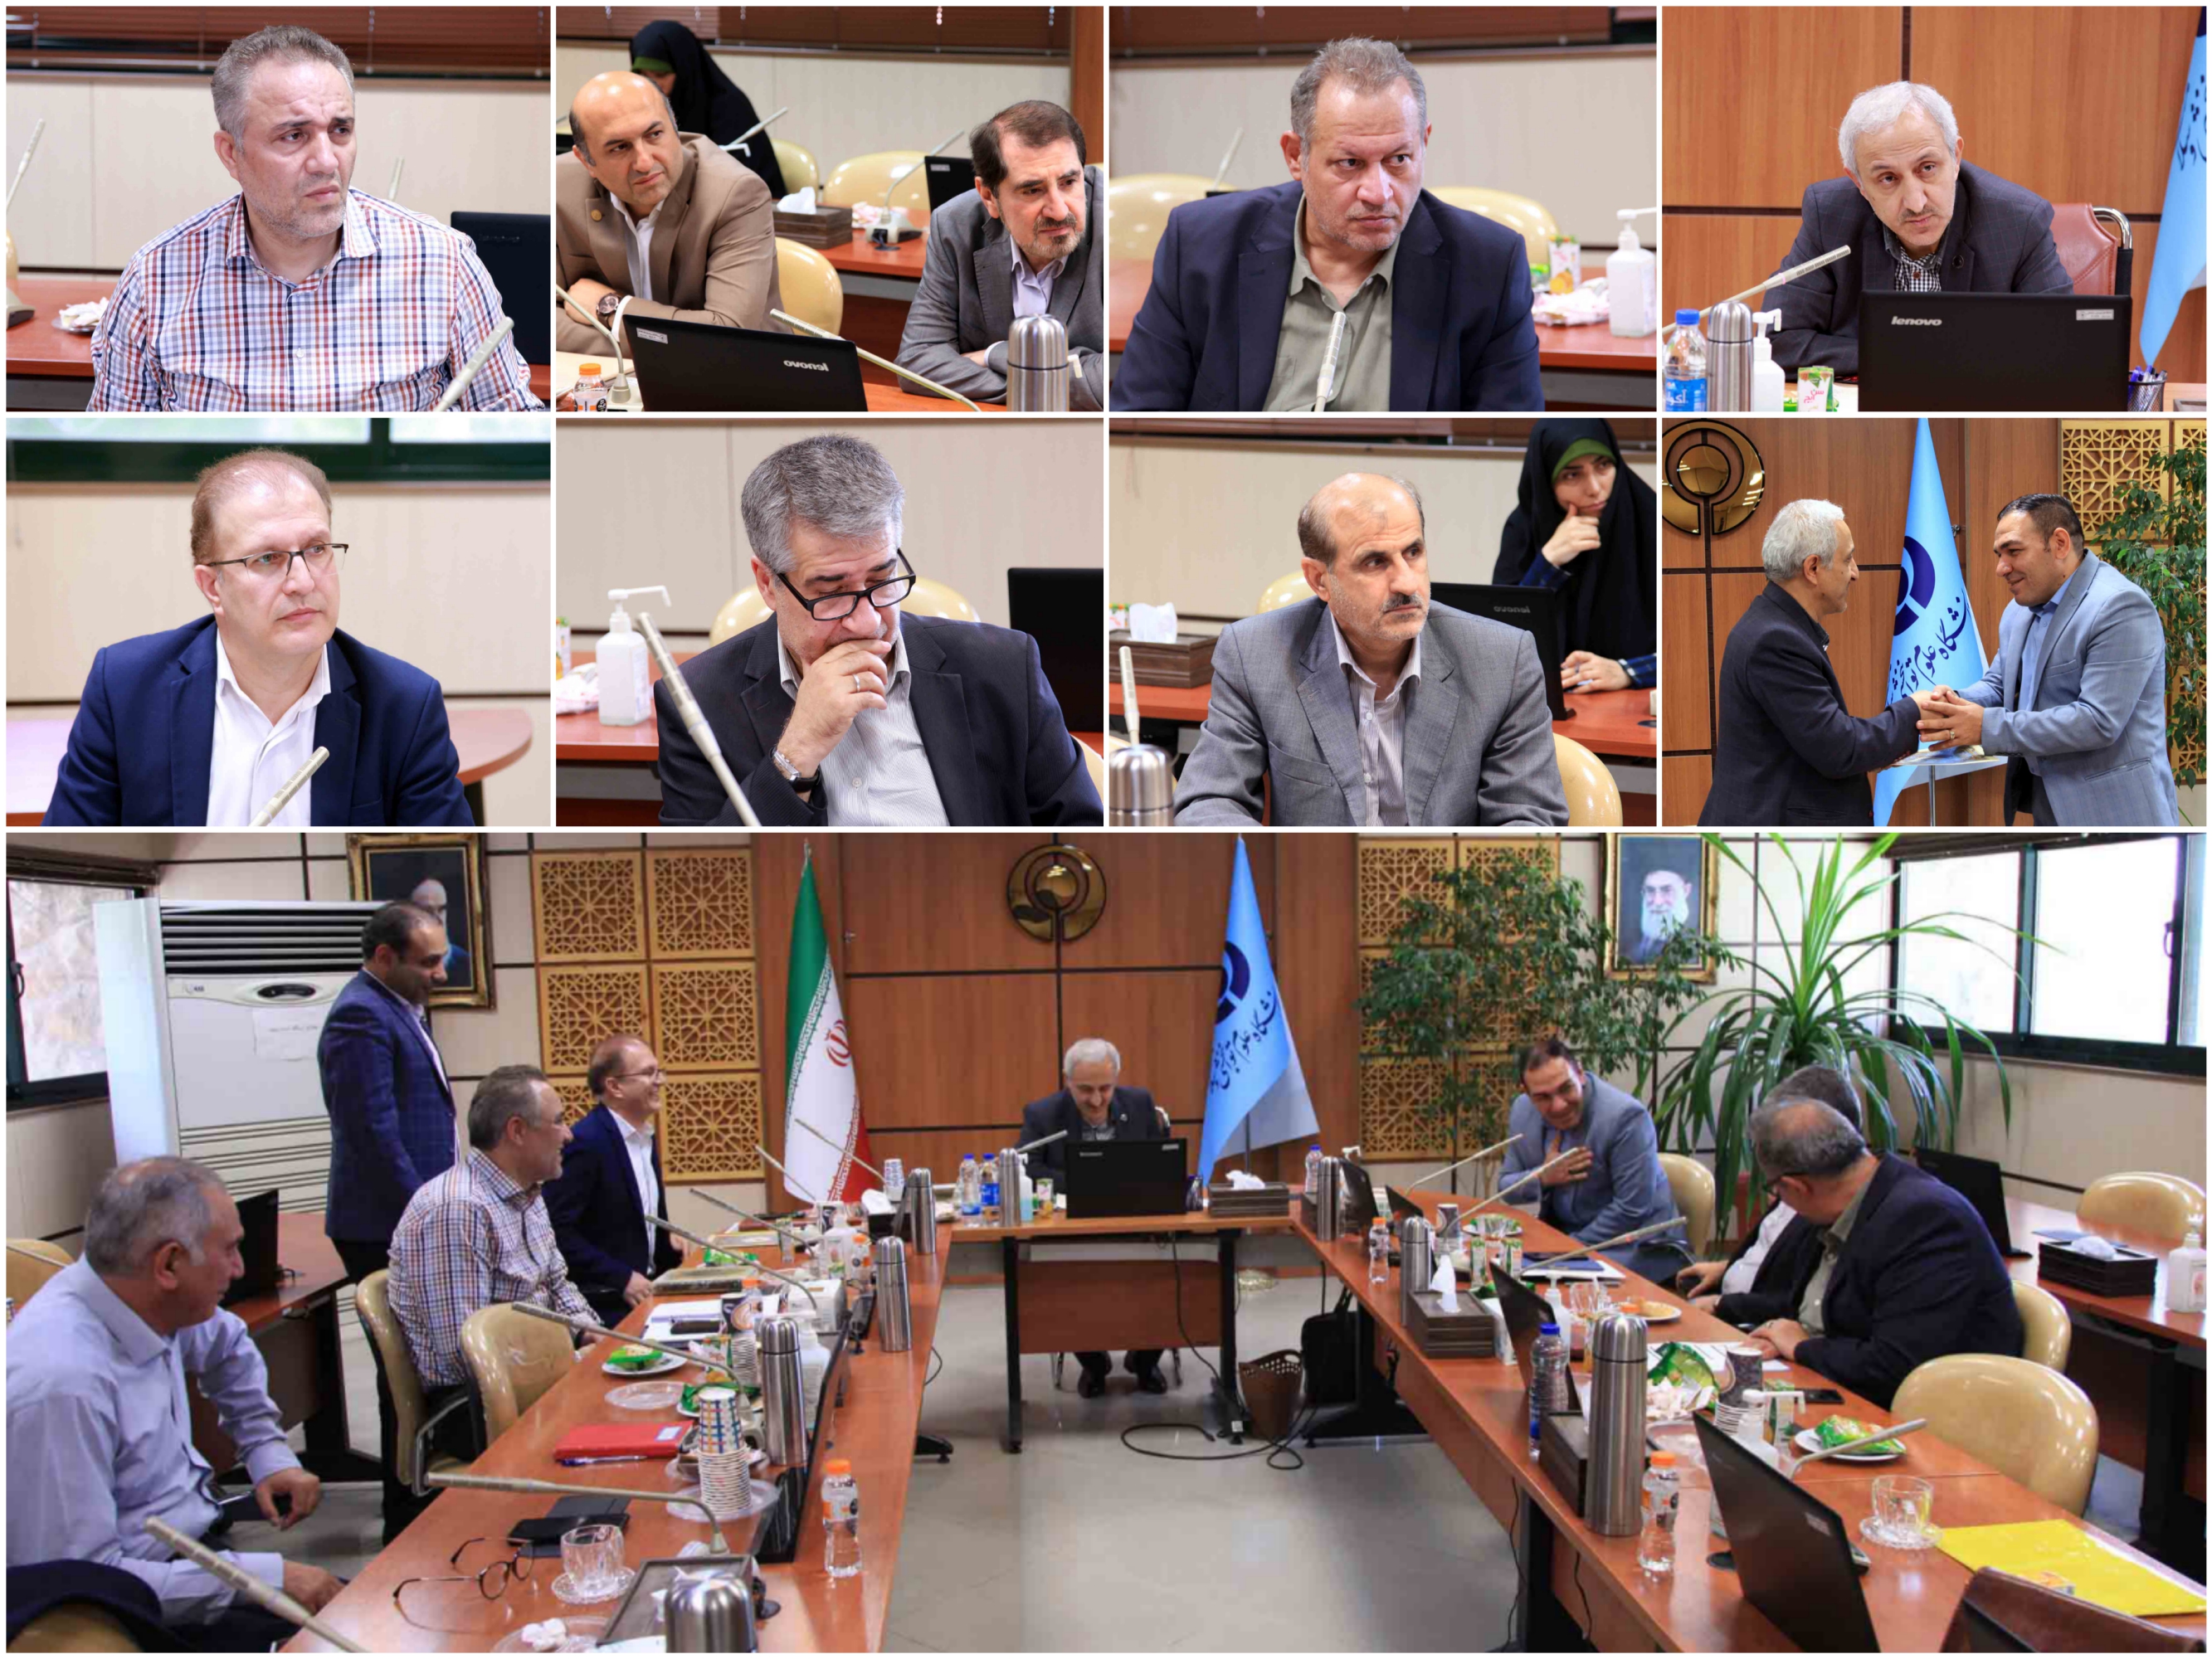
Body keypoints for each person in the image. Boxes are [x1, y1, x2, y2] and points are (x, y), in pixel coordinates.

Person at [654, 435, 1102, 826]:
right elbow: (702, 871)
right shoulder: (697, 700)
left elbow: (1082, 834)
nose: (868, 622)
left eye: (882, 579)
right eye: (831, 592)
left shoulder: (1005, 667)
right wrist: (797, 750)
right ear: (768, 583)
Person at [89, 27, 538, 411]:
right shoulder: (155, 278)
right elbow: (110, 451)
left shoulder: (443, 262)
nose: (326, 161)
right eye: (293, 135)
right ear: (231, 154)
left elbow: (516, 425)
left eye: (340, 130)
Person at [42, 449, 474, 828]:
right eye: (268, 558)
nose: (303, 581)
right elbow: (66, 860)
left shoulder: (404, 706)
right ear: (213, 587)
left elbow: (437, 870)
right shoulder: (126, 689)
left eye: (317, 549)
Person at [7, 1159, 338, 1650]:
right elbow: (85, 1586)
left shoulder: (143, 1299)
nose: (240, 1269)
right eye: (229, 1250)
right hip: (130, 1615)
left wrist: (266, 1451)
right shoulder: (62, 1384)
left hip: (191, 1562)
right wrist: (266, 1578)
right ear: (168, 1265)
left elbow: (228, 1346)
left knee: (376, 1613)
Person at [1113, 36, 1542, 411]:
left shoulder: (1488, 266)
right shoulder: (1201, 246)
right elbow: (1140, 410)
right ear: (1295, 156)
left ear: (1424, 143)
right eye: (1349, 163)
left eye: (1399, 159)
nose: (1379, 192)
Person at [1173, 473, 1566, 825]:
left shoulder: (1502, 660)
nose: (1407, 583)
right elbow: (1209, 801)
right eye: (1375, 562)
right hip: (1312, 878)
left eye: (1413, 552)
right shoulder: (1254, 655)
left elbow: (1529, 819)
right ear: (1320, 580)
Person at [1732, 1097, 2023, 1408]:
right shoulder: (1841, 1204)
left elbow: (1896, 1365)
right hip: (1837, 1388)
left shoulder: (1927, 1219)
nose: (1779, 1200)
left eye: (1776, 1191)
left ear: (1797, 1186)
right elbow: (1809, 1305)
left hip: (1936, 1414)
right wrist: (1776, 1333)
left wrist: (1802, 1347)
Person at [1767, 80, 2072, 375]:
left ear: (1956, 157)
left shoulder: (2018, 222)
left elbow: (2063, 345)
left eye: (1927, 168)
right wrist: (1903, 355)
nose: (1915, 203)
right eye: (1888, 178)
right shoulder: (1831, 215)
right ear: (1859, 183)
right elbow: (1777, 341)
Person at [1917, 494, 2177, 826]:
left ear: (2059, 544)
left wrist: (1985, 727)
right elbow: (1999, 685)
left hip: (2113, 811)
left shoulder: (2119, 606)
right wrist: (1952, 702)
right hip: (2046, 801)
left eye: (2013, 551)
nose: (2001, 568)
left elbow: (2097, 721)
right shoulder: (2018, 610)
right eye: (1999, 555)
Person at [1699, 499, 1934, 825]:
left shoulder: (1773, 624)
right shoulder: (1776, 640)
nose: (1855, 573)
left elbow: (1814, 739)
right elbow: (1839, 749)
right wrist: (1915, 710)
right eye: (1848, 559)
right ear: (1812, 568)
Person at [389, 1065, 593, 1394]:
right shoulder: (458, 1208)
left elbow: (557, 1285)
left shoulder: (528, 1192)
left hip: (541, 1372)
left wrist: (590, 1333)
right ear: (517, 1131)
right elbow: (466, 1355)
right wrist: (570, 1359)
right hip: (482, 1402)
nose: (568, 1134)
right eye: (558, 1121)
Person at [556, 71, 782, 358]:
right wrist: (656, 345)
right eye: (620, 147)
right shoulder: (560, 188)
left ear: (675, 125)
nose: (644, 162)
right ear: (586, 161)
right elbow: (542, 319)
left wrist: (612, 308)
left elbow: (726, 336)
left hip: (740, 375)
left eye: (654, 135)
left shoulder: (736, 194)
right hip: (611, 378)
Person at [896, 100, 1105, 411]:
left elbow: (1112, 378)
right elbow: (918, 362)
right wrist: (1040, 384)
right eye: (1033, 190)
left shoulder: (1111, 222)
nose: (1060, 210)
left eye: (1069, 183)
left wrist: (994, 355)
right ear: (989, 197)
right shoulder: (954, 226)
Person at [1017, 1039, 1170, 1397]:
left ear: (1116, 1080)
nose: (1098, 1100)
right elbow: (1030, 1169)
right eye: (1086, 1090)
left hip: (1138, 1228)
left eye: (1105, 1088)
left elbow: (1162, 1161)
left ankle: (1145, 1359)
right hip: (1071, 1233)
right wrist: (1093, 1180)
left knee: (1170, 1273)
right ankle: (1093, 1362)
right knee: (1066, 1285)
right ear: (1067, 1080)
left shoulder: (1141, 1104)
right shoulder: (1042, 1115)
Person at [318, 902, 456, 1286]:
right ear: (384, 957)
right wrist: (424, 1210)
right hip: (384, 1223)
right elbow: (372, 1133)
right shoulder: (361, 1015)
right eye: (429, 962)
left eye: (442, 959)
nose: (442, 974)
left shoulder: (397, 1007)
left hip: (403, 1216)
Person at [1498, 1037, 1692, 1286]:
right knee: (1501, 1272)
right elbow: (1506, 1187)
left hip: (1636, 1247)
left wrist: (1564, 1248)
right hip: (1569, 1242)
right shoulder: (1523, 1110)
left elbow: (1631, 1209)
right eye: (1543, 1097)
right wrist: (1543, 1177)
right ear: (1526, 1093)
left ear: (1580, 1073)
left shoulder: (1625, 1117)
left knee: (1542, 1288)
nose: (1558, 1105)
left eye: (1566, 1088)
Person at [1676, 1065, 1861, 1314]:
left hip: (1747, 1320)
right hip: (1725, 1296)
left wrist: (1721, 1304)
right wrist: (1727, 1268)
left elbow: (1797, 1302)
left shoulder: (1823, 1205)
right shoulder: (1795, 1177)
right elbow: (1770, 1254)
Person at [1492, 420, 1656, 696]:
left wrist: (1628, 670)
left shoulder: (1652, 518)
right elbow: (1499, 639)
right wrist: (1549, 561)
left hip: (1634, 704)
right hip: (1549, 702)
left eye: (1603, 465)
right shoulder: (1524, 528)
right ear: (1546, 481)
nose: (1594, 488)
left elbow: (1693, 642)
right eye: (1572, 475)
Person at [545, 1036, 685, 1329]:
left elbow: (633, 1216)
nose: (660, 1081)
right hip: (606, 1304)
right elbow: (556, 1231)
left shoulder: (644, 1135)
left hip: (648, 1294)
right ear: (615, 1086)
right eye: (648, 1073)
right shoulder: (587, 1142)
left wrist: (667, 1242)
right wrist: (621, 1277)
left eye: (659, 1072)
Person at [627, 19, 787, 197]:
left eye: (661, 74)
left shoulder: (730, 109)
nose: (653, 85)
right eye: (642, 75)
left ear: (685, 69)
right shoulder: (645, 107)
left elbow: (741, 187)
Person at [1624, 865, 1694, 965]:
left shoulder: (1694, 942)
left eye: (1667, 891)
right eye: (1650, 890)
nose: (1657, 902)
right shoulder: (1632, 942)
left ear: (1686, 891)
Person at [407, 878, 473, 985]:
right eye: (427, 910)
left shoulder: (466, 962)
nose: (438, 919)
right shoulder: (399, 962)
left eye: (442, 909)